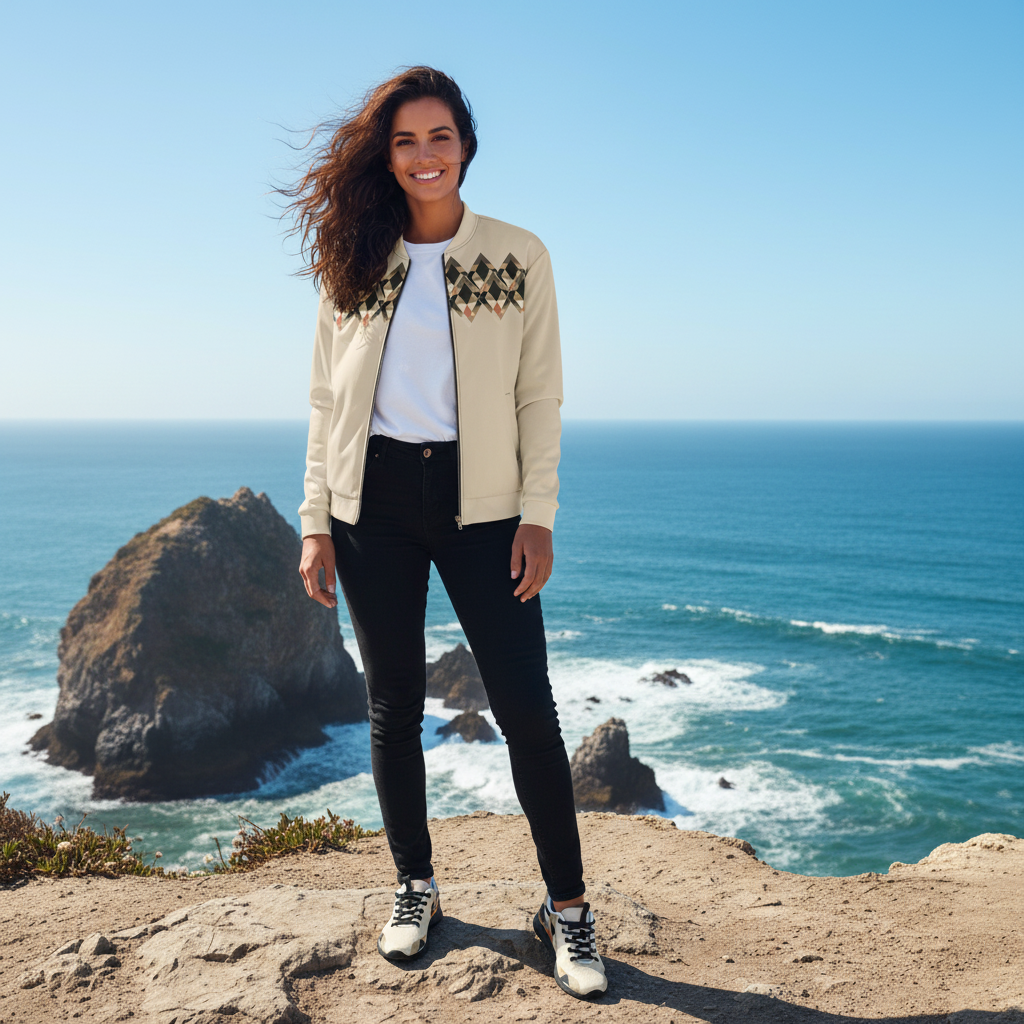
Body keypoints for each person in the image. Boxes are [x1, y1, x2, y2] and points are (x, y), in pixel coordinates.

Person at [289, 66, 606, 1000]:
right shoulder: (353, 258)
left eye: (439, 137)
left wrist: (539, 514)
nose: (424, 155)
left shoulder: (518, 254)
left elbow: (539, 395)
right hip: (372, 504)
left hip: (486, 508)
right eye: (406, 141)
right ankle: (415, 887)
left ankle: (568, 912)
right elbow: (324, 402)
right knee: (393, 706)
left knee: (527, 710)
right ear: (386, 157)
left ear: (466, 145)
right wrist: (315, 523)